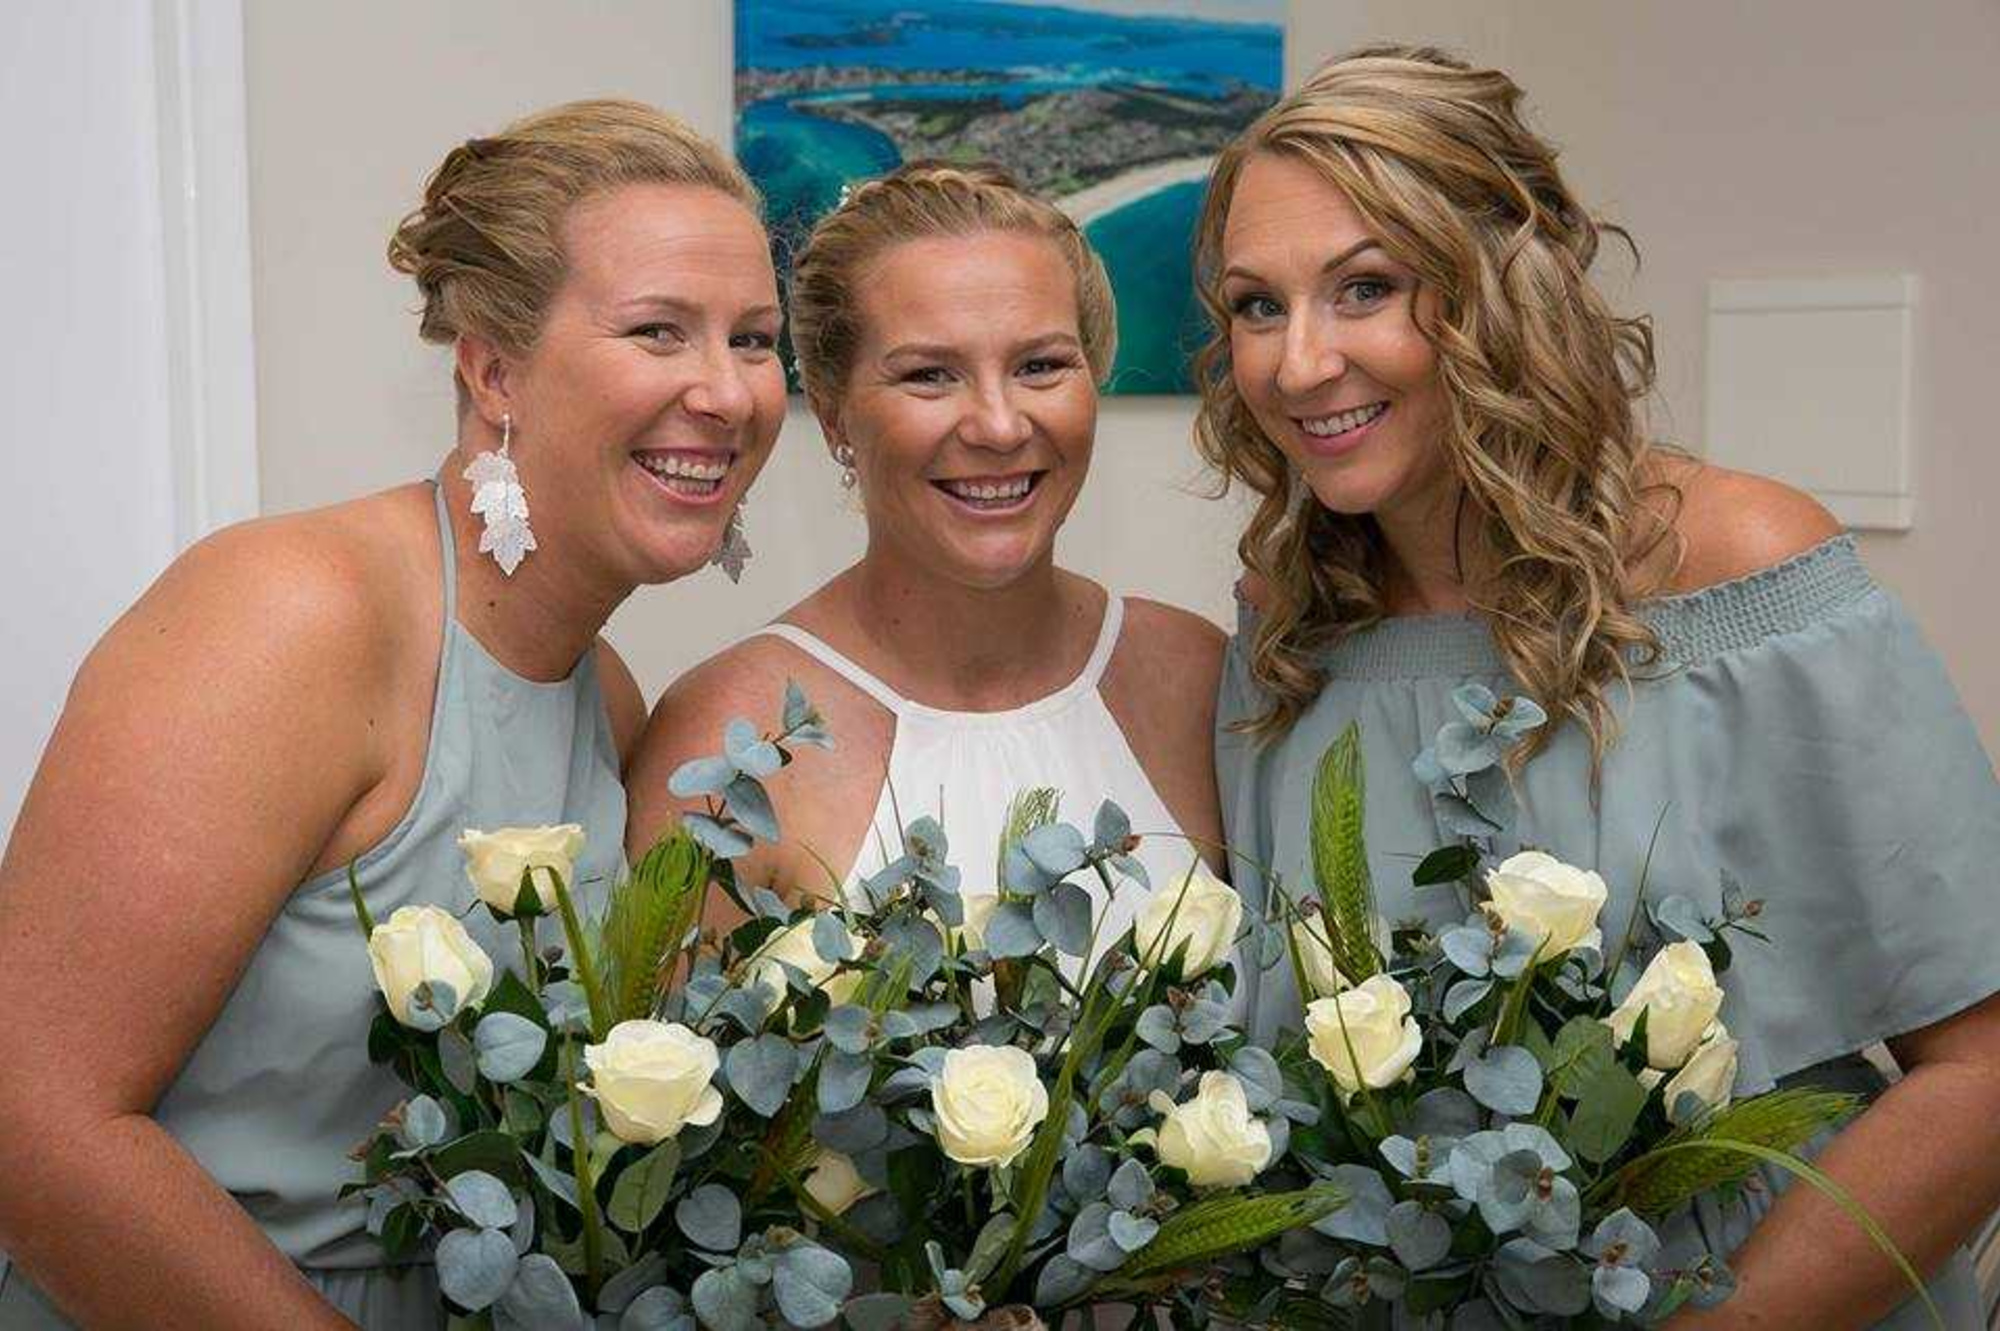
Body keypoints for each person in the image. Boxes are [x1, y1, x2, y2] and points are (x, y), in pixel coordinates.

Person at [1204, 46, 2000, 1329]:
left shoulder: (1741, 575)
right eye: (1255, 305)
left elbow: (1978, 1070)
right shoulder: (1287, 630)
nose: (1299, 364)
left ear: (1500, 288)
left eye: (1364, 288)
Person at [0, 101, 785, 1329]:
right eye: (657, 332)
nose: (726, 392)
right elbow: (27, 1114)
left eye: (753, 339)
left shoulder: (610, 694)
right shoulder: (288, 616)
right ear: (492, 367)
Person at [628, 162, 1224, 947]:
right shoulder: (727, 737)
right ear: (837, 413)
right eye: (930, 375)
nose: (1000, 425)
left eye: (1040, 366)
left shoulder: (1196, 678)